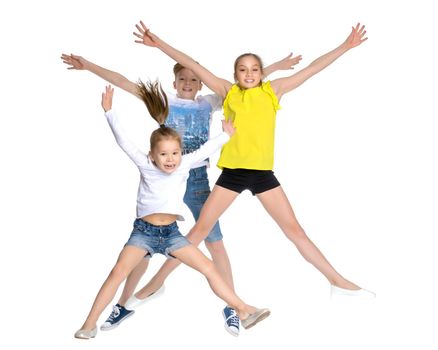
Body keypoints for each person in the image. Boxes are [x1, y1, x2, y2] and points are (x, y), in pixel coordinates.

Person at [130, 21, 376, 304]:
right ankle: (153, 286)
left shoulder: (274, 91)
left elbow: (312, 70)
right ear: (235, 74)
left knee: (294, 230)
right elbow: (191, 64)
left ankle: (338, 281)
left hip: (262, 174)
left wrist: (346, 46)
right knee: (198, 232)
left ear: (261, 73)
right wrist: (159, 43)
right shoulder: (228, 91)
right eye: (243, 69)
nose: (249, 74)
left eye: (254, 69)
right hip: (233, 174)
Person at [61, 52, 301, 336]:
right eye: (182, 78)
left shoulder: (210, 102)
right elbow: (122, 81)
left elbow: (246, 84)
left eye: (194, 79)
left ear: (202, 84)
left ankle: (233, 306)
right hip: (162, 179)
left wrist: (273, 68)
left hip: (195, 176)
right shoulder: (164, 101)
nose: (188, 83)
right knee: (141, 251)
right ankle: (123, 304)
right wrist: (88, 66)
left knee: (214, 242)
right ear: (173, 82)